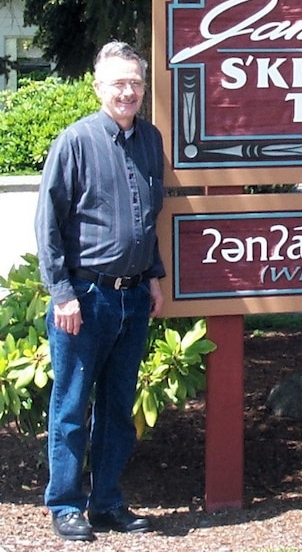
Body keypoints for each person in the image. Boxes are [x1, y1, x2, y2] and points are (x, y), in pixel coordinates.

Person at [35, 41, 165, 540]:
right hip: (85, 299)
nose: (127, 91)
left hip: (133, 297)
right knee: (71, 405)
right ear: (98, 88)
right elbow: (49, 224)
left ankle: (107, 502)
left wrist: (152, 277)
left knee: (117, 408)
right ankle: (65, 504)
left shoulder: (150, 140)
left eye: (134, 83)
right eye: (118, 83)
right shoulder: (75, 141)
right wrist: (62, 292)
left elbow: (147, 218)